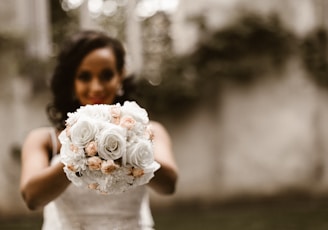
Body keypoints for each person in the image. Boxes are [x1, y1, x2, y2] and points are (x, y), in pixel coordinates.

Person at [20, 30, 178, 230]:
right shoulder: (43, 139)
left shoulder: (150, 130)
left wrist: (131, 146)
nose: (96, 87)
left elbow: (169, 185)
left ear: (120, 76)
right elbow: (32, 198)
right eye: (84, 77)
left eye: (106, 75)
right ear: (71, 81)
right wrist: (80, 153)